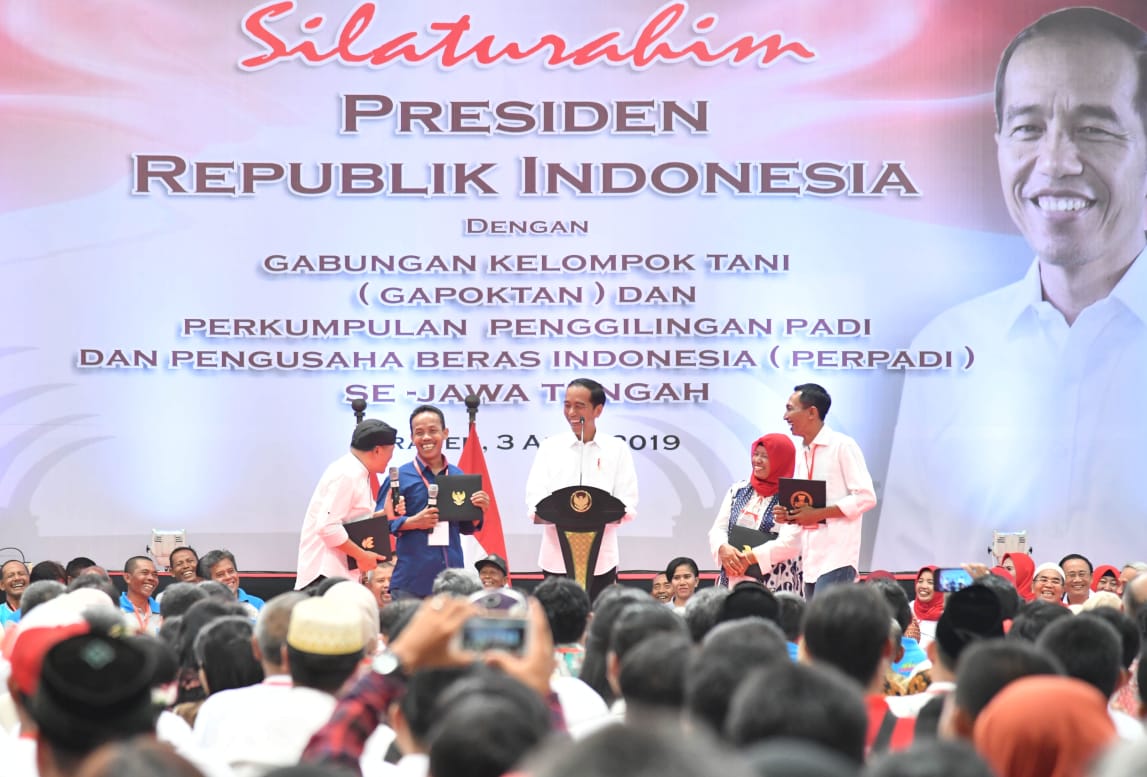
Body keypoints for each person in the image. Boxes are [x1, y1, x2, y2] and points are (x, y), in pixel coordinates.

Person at [878, 7, 1147, 569]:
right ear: (998, 142)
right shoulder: (948, 348)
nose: (1056, 161)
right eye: (1028, 128)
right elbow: (904, 585)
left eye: (1094, 129)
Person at [758, 384, 877, 598]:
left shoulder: (842, 445)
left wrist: (818, 512)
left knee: (827, 629)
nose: (785, 416)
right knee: (815, 628)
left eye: (790, 409)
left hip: (837, 558)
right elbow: (807, 507)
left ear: (812, 412)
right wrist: (791, 515)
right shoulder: (804, 453)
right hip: (810, 561)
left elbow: (866, 497)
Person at [525, 378, 639, 601]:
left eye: (579, 406)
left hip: (601, 558)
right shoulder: (550, 447)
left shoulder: (616, 449)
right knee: (558, 619)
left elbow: (627, 502)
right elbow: (535, 498)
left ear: (598, 409)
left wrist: (608, 513)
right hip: (555, 555)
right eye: (567, 405)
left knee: (595, 618)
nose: (571, 412)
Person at [386, 405, 489, 600]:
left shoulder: (459, 476)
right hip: (411, 582)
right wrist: (411, 522)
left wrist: (479, 511)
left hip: (453, 581)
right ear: (411, 438)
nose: (426, 437)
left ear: (445, 433)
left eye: (432, 431)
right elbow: (381, 524)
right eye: (419, 432)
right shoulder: (399, 477)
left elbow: (467, 527)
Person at [296, 418, 398, 590]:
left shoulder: (357, 471)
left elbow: (353, 522)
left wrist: (384, 514)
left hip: (338, 577)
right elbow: (327, 527)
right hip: (325, 578)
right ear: (378, 450)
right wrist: (362, 555)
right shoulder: (347, 474)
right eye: (391, 451)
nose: (391, 458)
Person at [707, 433, 801, 593]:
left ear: (781, 460)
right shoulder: (738, 490)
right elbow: (718, 529)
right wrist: (723, 548)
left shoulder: (794, 496)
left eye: (765, 456)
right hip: (732, 581)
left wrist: (749, 558)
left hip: (775, 584)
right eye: (755, 454)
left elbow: (791, 543)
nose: (757, 460)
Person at [198, 549, 264, 614]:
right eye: (220, 574)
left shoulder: (258, 604)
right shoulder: (204, 609)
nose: (228, 577)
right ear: (209, 581)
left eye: (231, 571)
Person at [119, 555, 161, 635]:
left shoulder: (164, 612)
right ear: (127, 578)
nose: (151, 578)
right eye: (145, 573)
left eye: (155, 574)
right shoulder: (114, 610)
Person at [913, 566, 944, 646]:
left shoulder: (947, 617)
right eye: (920, 581)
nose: (923, 586)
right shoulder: (907, 609)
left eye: (930, 582)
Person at [0, 560, 29, 627]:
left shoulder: (42, 611)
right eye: (10, 576)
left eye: (21, 574)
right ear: (2, 585)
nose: (17, 578)